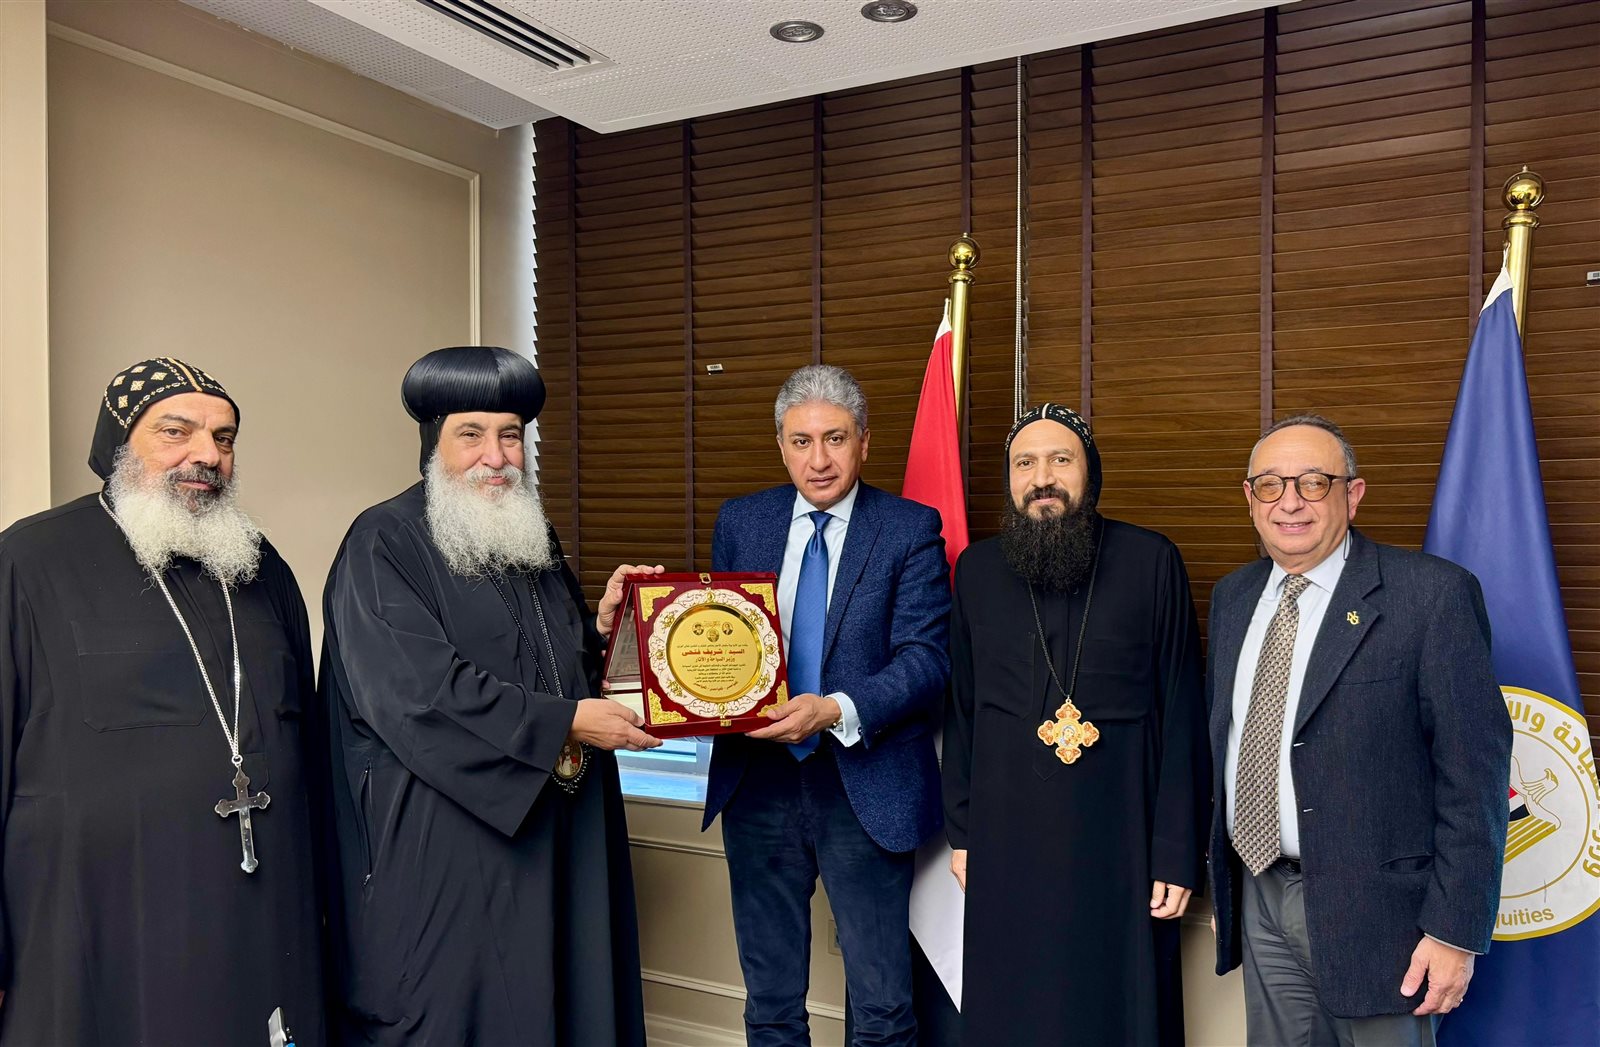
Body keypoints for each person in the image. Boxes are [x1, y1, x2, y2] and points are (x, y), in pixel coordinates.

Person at [320, 346, 657, 1046]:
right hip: (450, 842)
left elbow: (558, 668)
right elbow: (419, 695)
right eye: (471, 434)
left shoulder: (529, 535)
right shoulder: (383, 541)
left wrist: (608, 630)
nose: (496, 457)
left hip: (558, 829)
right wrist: (568, 722)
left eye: (511, 435)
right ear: (433, 442)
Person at [0, 359, 326, 1043]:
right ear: (118, 445)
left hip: (262, 924)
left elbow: (315, 752)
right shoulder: (28, 562)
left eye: (224, 437)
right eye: (176, 431)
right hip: (99, 939)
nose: (207, 454)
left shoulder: (261, 568)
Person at [1207, 414, 1512, 1047]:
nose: (1290, 502)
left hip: (1384, 917)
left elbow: (1475, 777)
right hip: (1259, 893)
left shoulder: (1431, 596)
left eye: (1313, 482)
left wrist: (1455, 930)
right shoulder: (1234, 597)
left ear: (1353, 494)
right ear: (1250, 498)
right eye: (1270, 484)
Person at [941, 403, 1209, 1046]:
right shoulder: (976, 570)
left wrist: (1176, 851)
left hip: (1121, 844)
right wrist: (963, 833)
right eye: (1025, 463)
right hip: (1006, 843)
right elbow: (963, 710)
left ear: (1091, 473)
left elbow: (1183, 713)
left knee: (1117, 1009)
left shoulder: (1151, 562)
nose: (1043, 478)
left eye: (1061, 459)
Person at [705, 364, 950, 1046]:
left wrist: (835, 708)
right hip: (758, 780)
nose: (819, 459)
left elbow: (926, 659)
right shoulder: (741, 520)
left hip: (864, 780)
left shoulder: (908, 528)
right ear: (782, 446)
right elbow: (715, 639)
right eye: (802, 441)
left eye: (835, 439)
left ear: (864, 442)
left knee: (882, 1007)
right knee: (770, 1001)